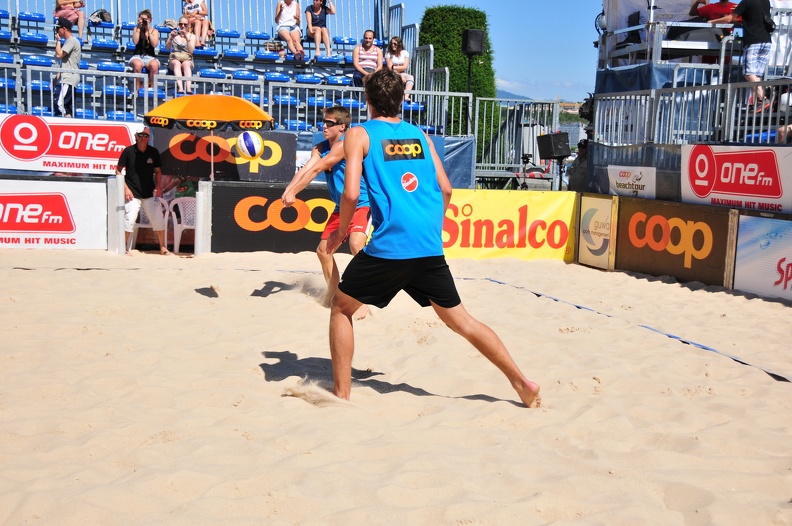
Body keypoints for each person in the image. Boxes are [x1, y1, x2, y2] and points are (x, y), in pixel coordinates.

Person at [325, 69, 541, 408]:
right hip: (427, 246)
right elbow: (446, 188)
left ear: (368, 102)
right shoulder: (421, 135)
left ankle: (341, 394)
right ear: (401, 101)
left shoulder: (358, 135)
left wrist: (341, 232)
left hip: (390, 247)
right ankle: (522, 382)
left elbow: (351, 193)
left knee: (341, 306)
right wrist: (430, 227)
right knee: (463, 321)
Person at [281, 106, 371, 306]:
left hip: (362, 203)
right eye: (324, 122)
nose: (324, 126)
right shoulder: (320, 148)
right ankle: (334, 294)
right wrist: (289, 189)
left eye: (330, 123)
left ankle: (364, 300)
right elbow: (307, 168)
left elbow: (318, 169)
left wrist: (294, 192)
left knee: (356, 245)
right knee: (323, 251)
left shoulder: (345, 144)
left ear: (342, 127)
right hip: (341, 207)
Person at [116, 126, 171, 255]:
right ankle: (123, 248)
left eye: (146, 136)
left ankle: (163, 247)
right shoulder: (128, 151)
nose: (143, 138)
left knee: (158, 219)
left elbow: (158, 171)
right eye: (140, 135)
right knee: (130, 219)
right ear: (136, 136)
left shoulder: (153, 152)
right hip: (132, 192)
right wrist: (126, 189)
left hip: (149, 192)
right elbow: (118, 170)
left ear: (149, 138)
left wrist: (158, 187)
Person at [711, 0, 773, 108]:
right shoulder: (765, 1)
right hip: (766, 41)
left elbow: (731, 18)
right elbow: (755, 16)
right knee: (756, 75)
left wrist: (712, 21)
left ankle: (762, 98)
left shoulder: (746, 1)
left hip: (753, 41)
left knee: (748, 73)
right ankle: (756, 104)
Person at [53, 16, 81, 119]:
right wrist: (55, 80)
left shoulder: (71, 40)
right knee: (67, 107)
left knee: (59, 103)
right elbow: (65, 63)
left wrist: (58, 41)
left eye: (58, 28)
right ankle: (69, 122)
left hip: (69, 78)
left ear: (64, 28)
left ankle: (67, 122)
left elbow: (59, 55)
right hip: (68, 77)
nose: (57, 31)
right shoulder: (71, 41)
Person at [129, 9, 160, 92]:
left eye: (144, 19)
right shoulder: (136, 29)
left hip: (150, 57)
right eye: (141, 19)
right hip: (137, 56)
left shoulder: (154, 31)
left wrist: (148, 32)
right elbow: (135, 41)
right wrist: (139, 28)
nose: (143, 21)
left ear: (149, 20)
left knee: (154, 65)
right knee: (138, 65)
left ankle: (152, 90)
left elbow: (154, 44)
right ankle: (137, 89)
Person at [165, 17, 197, 94]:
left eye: (185, 24)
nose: (183, 26)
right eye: (181, 24)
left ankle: (188, 88)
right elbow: (167, 48)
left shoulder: (192, 36)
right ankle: (180, 88)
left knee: (186, 64)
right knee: (177, 63)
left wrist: (186, 37)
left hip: (187, 58)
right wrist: (170, 38)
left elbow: (190, 51)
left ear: (188, 25)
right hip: (174, 58)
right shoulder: (174, 34)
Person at [385, 36, 414, 101]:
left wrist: (394, 67)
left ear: (399, 44)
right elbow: (390, 68)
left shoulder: (405, 53)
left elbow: (405, 67)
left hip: (402, 73)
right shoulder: (388, 54)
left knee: (410, 77)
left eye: (395, 44)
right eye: (391, 44)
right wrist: (398, 73)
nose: (393, 45)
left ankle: (406, 96)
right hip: (392, 73)